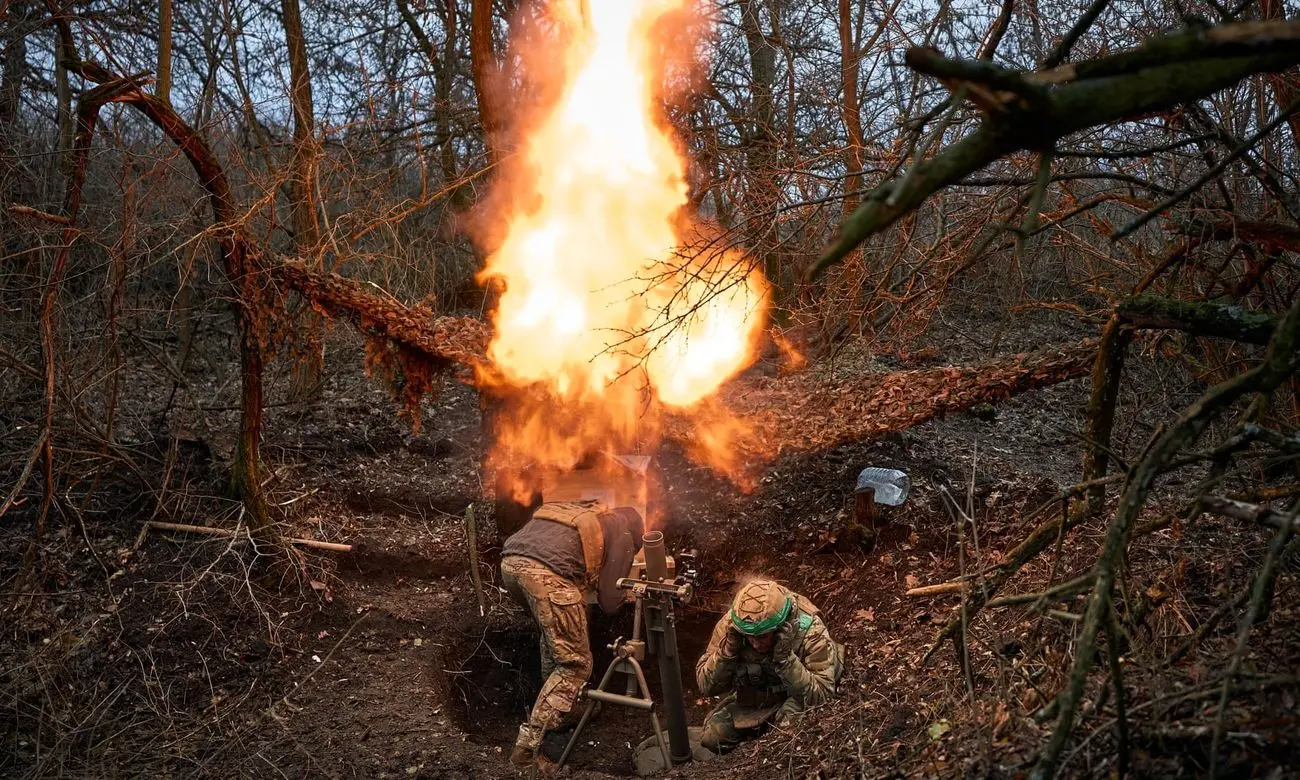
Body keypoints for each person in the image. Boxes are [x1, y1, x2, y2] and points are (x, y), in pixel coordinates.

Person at [499, 500, 644, 769]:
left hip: (510, 564)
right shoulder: (625, 531)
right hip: (548, 577)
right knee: (574, 664)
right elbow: (610, 602)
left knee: (555, 642)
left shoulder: (585, 514)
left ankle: (565, 709)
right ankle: (527, 752)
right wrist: (629, 593)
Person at [695, 578, 844, 753]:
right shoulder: (732, 625)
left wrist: (786, 660)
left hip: (796, 697)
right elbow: (706, 685)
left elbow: (822, 696)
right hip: (755, 697)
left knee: (786, 736)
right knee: (714, 738)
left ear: (781, 627)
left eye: (763, 636)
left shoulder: (810, 630)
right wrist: (727, 652)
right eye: (750, 636)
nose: (756, 644)